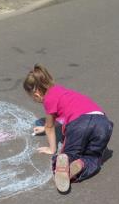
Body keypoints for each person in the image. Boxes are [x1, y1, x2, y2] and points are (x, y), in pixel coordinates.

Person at [23, 64, 113, 193]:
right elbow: (65, 114)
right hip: (103, 122)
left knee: (66, 156)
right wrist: (44, 127)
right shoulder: (59, 90)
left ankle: (67, 165)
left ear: (36, 93)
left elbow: (50, 126)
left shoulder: (48, 99)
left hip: (80, 124)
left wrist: (51, 149)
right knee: (94, 157)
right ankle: (82, 165)